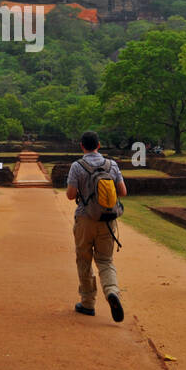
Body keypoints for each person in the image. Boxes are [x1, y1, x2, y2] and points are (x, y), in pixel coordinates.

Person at [66, 131, 128, 322]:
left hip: (85, 219)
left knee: (84, 260)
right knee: (105, 260)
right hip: (107, 221)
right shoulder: (112, 165)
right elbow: (123, 192)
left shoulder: (77, 166)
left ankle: (87, 303)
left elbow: (70, 194)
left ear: (82, 146)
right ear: (99, 145)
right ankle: (111, 291)